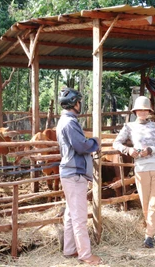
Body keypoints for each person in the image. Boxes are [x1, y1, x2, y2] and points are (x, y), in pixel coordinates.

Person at [113, 95, 155, 248]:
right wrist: (128, 150)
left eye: (145, 110)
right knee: (145, 201)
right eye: (140, 110)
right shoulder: (129, 126)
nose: (143, 113)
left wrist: (151, 149)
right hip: (141, 168)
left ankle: (149, 236)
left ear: (149, 111)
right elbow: (116, 142)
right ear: (135, 111)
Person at [56, 87, 102, 265]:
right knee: (80, 217)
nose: (80, 104)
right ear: (75, 103)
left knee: (70, 213)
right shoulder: (70, 123)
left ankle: (69, 249)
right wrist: (95, 142)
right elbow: (82, 146)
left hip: (70, 172)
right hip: (75, 174)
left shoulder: (65, 121)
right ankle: (86, 255)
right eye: (79, 101)